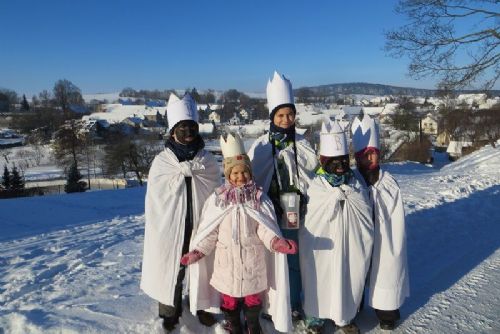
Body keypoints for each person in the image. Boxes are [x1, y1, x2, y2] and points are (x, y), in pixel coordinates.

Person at [181, 133, 296, 334]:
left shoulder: (259, 199)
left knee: (253, 299)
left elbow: (265, 228)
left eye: (244, 173)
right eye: (235, 173)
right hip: (227, 264)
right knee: (229, 299)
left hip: (252, 262)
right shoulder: (218, 200)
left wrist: (277, 243)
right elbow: (210, 231)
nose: (240, 177)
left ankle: (253, 325)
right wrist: (198, 252)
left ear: (250, 173)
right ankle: (233, 324)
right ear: (227, 175)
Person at [140, 93, 220, 331]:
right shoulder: (162, 162)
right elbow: (156, 200)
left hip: (201, 223)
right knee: (172, 266)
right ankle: (169, 309)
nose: (187, 133)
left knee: (206, 266)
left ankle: (205, 307)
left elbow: (215, 193)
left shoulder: (207, 160)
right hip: (171, 225)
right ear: (172, 131)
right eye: (181, 128)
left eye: (191, 128)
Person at [247, 71, 317, 320]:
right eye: (281, 115)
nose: (286, 119)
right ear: (272, 117)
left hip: (297, 209)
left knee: (295, 258)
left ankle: (296, 301)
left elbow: (314, 173)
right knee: (271, 260)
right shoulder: (262, 145)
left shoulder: (304, 143)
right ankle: (272, 305)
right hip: (270, 211)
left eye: (290, 114)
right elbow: (252, 176)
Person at [299, 119, 374, 334]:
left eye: (343, 159)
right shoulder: (315, 185)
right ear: (324, 161)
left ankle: (344, 316)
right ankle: (316, 317)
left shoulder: (355, 183)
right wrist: (335, 196)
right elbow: (312, 215)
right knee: (318, 277)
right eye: (334, 160)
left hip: (350, 242)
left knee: (348, 276)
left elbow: (364, 214)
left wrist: (346, 196)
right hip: (322, 244)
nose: (340, 165)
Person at [351, 113, 410, 330]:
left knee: (385, 269)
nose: (369, 159)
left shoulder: (388, 183)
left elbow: (394, 215)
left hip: (383, 235)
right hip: (359, 235)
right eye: (363, 155)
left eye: (372, 154)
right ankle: (353, 306)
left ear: (379, 155)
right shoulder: (353, 179)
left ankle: (387, 312)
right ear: (357, 157)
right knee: (355, 269)